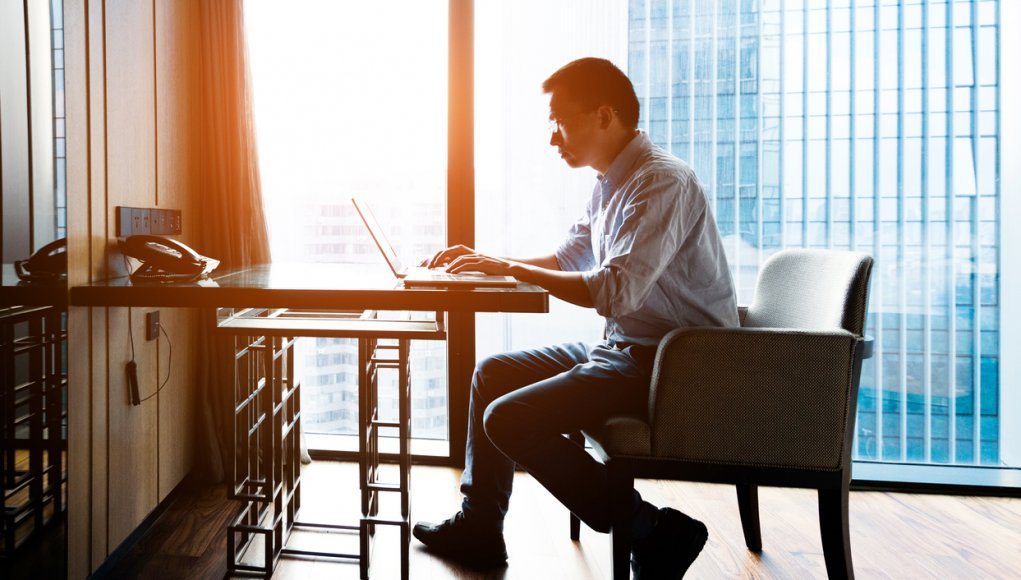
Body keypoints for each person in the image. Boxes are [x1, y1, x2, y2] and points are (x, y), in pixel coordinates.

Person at [413, 57, 739, 578]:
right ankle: (479, 527)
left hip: (672, 370)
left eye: (560, 121)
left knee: (507, 417)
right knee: (491, 373)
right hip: (627, 348)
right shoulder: (611, 182)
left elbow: (614, 289)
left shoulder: (662, 184)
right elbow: (568, 259)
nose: (552, 138)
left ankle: (651, 529)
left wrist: (508, 267)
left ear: (605, 115)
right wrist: (485, 265)